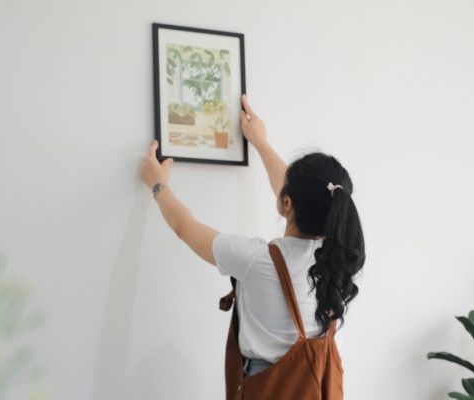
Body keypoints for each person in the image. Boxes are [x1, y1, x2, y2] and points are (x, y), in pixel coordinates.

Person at [140, 95, 364, 398]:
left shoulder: (258, 259)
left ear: (286, 203)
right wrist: (260, 142)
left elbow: (185, 228)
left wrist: (158, 184)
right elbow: (301, 194)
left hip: (269, 385)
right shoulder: (336, 253)